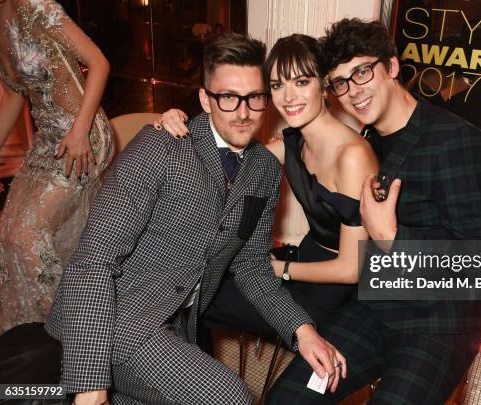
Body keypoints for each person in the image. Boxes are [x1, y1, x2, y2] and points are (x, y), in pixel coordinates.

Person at [45, 33, 346, 405]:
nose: (243, 111)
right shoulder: (162, 145)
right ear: (205, 98)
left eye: (254, 97)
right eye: (228, 97)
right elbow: (94, 261)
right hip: (113, 321)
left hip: (178, 326)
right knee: (229, 395)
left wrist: (303, 331)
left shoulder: (266, 170)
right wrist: (90, 388)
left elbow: (251, 266)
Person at [268, 19, 481, 404]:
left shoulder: (455, 141)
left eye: (362, 72)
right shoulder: (369, 140)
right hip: (375, 308)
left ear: (391, 67)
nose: (353, 91)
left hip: (439, 325)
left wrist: (391, 238)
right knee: (289, 398)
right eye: (341, 81)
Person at [156, 34, 378, 335]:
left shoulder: (352, 156)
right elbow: (229, 153)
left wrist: (279, 270)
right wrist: (175, 123)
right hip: (303, 262)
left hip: (335, 292)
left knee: (203, 297)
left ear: (324, 84)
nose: (288, 97)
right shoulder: (294, 143)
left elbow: (352, 269)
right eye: (277, 85)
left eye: (300, 82)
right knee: (201, 284)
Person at [0, 0, 114, 335]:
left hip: (84, 136)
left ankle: (71, 331)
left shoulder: (35, 5)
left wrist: (79, 132)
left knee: (25, 236)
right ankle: (26, 333)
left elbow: (99, 63)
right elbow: (17, 94)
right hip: (47, 142)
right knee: (6, 233)